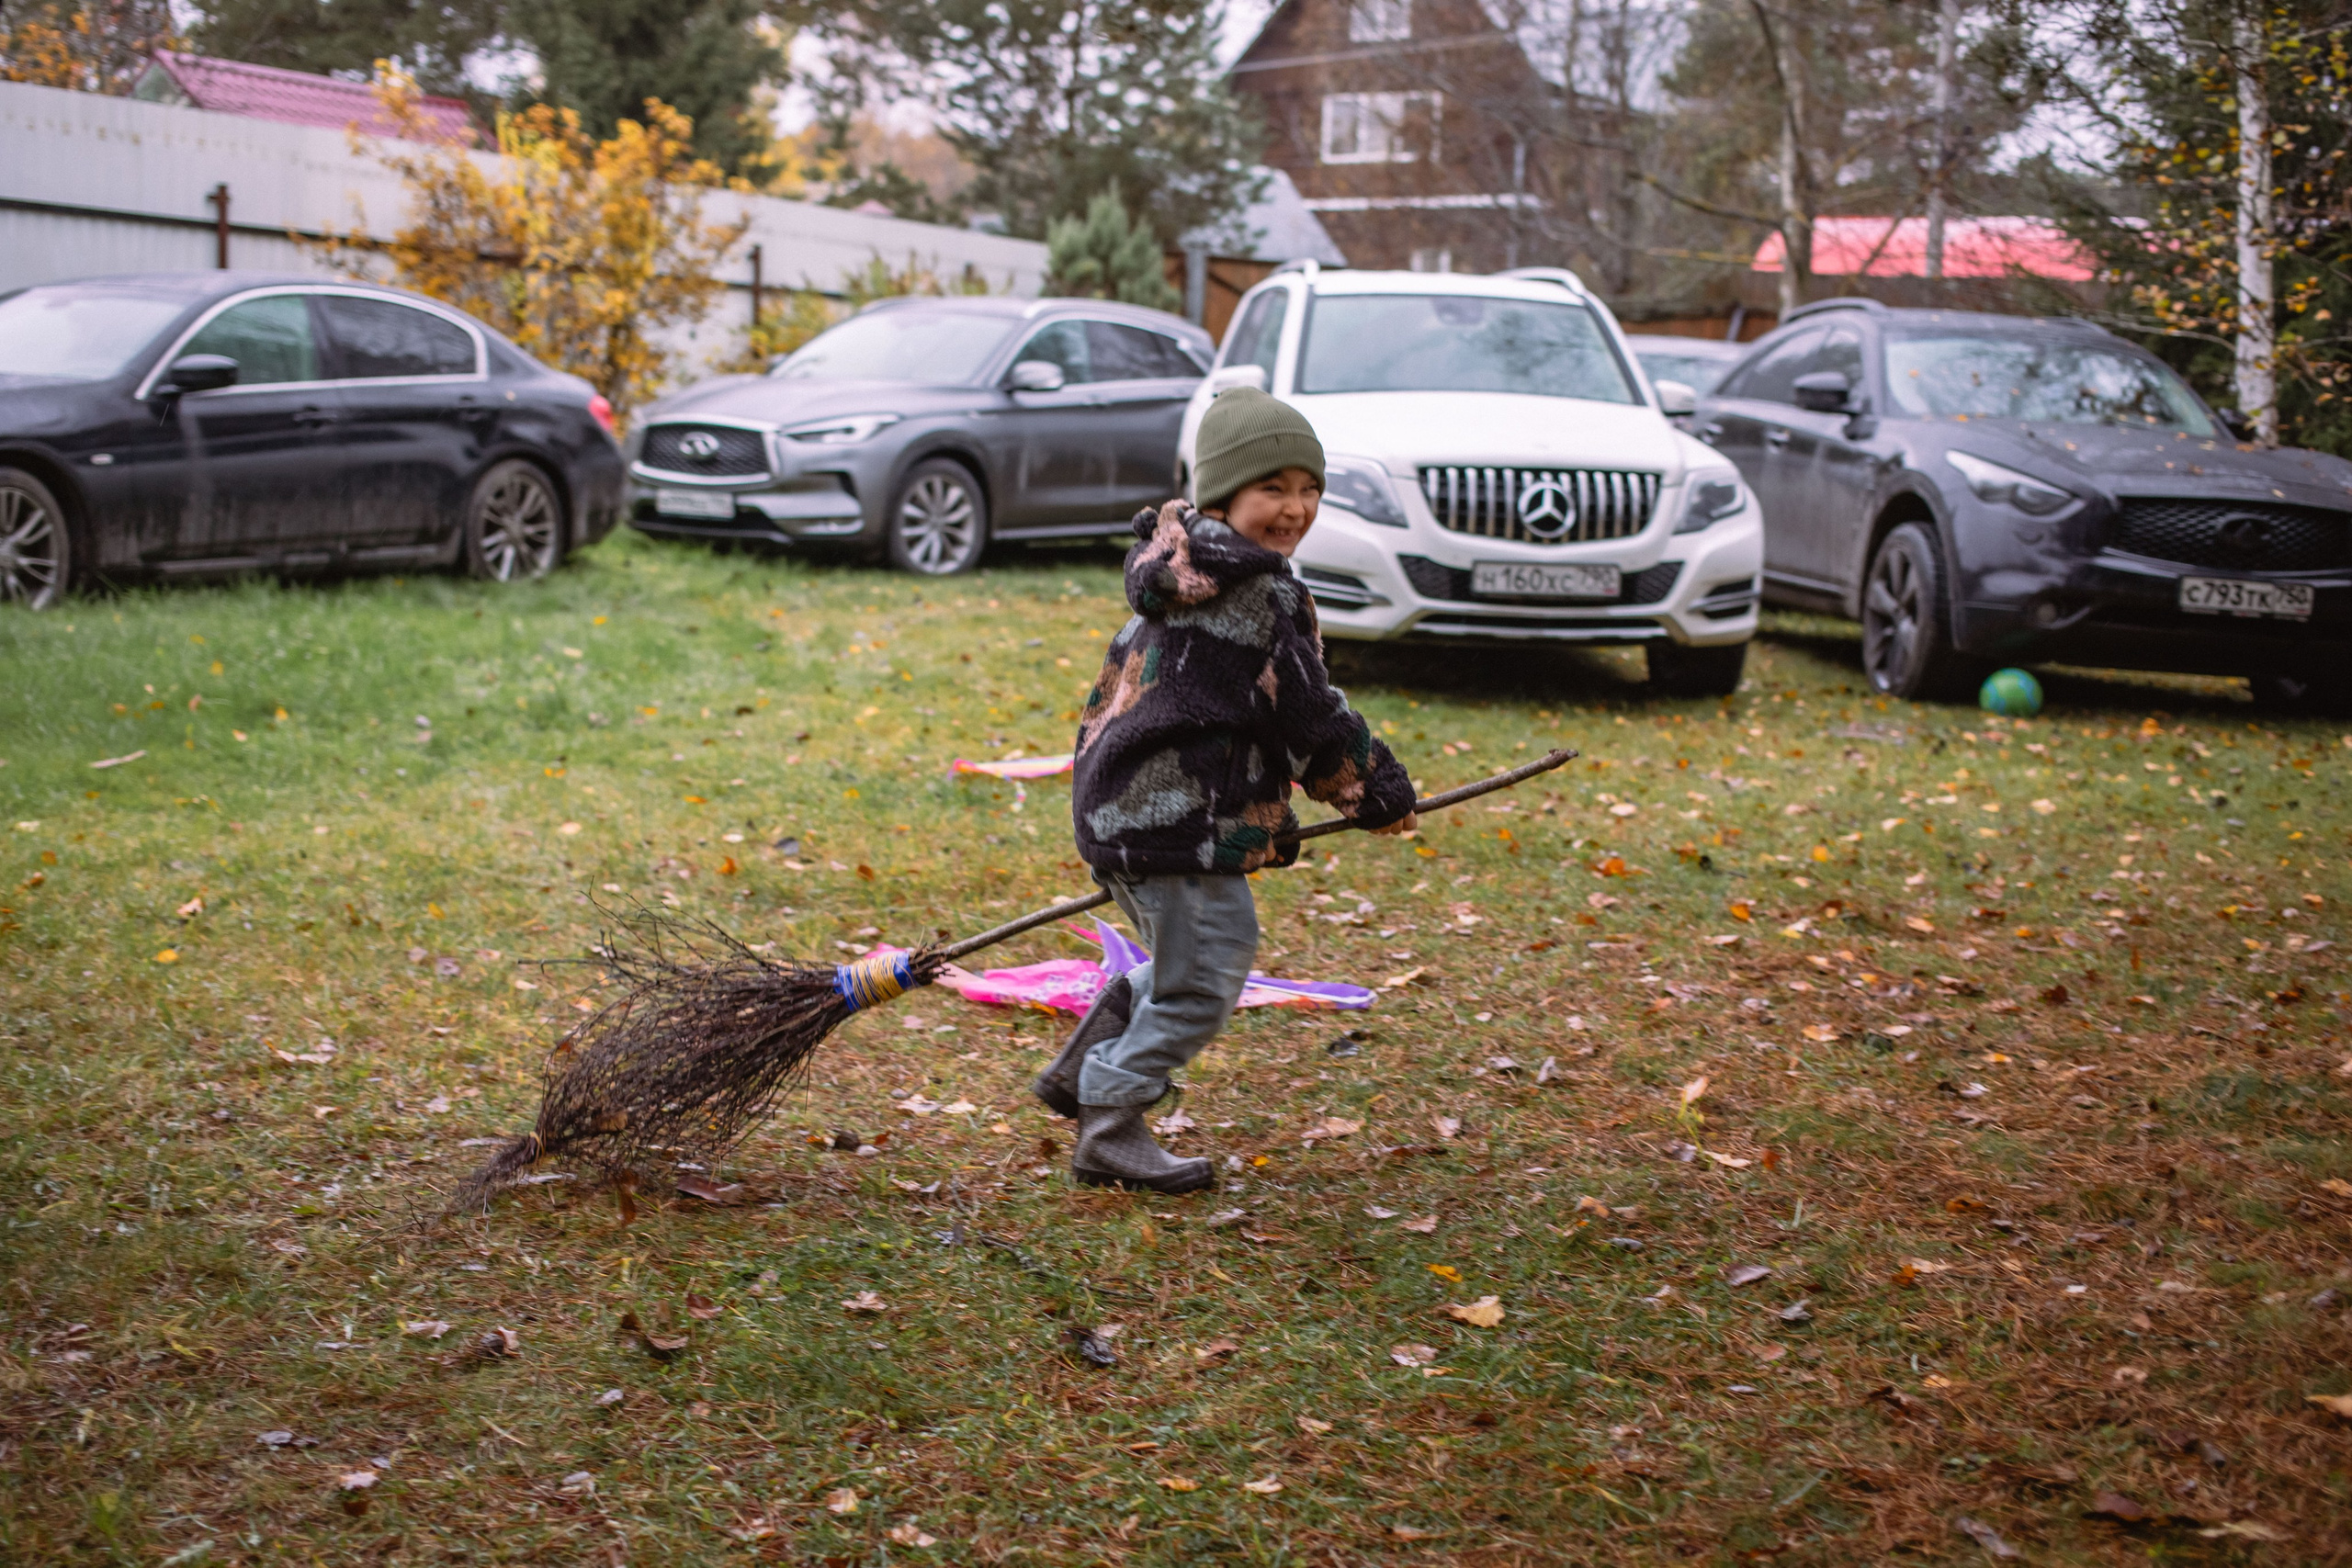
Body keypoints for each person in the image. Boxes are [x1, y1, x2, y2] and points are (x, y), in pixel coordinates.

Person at [1033, 387, 1419, 1193]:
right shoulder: (1259, 593)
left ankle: (1086, 1062)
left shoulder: (1182, 570)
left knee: (1188, 960)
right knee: (1209, 976)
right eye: (1271, 489)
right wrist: (1372, 789)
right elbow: (1309, 717)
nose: (1295, 507)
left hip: (1120, 812)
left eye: (1309, 487)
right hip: (1176, 818)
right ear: (1222, 495)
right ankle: (1111, 1113)